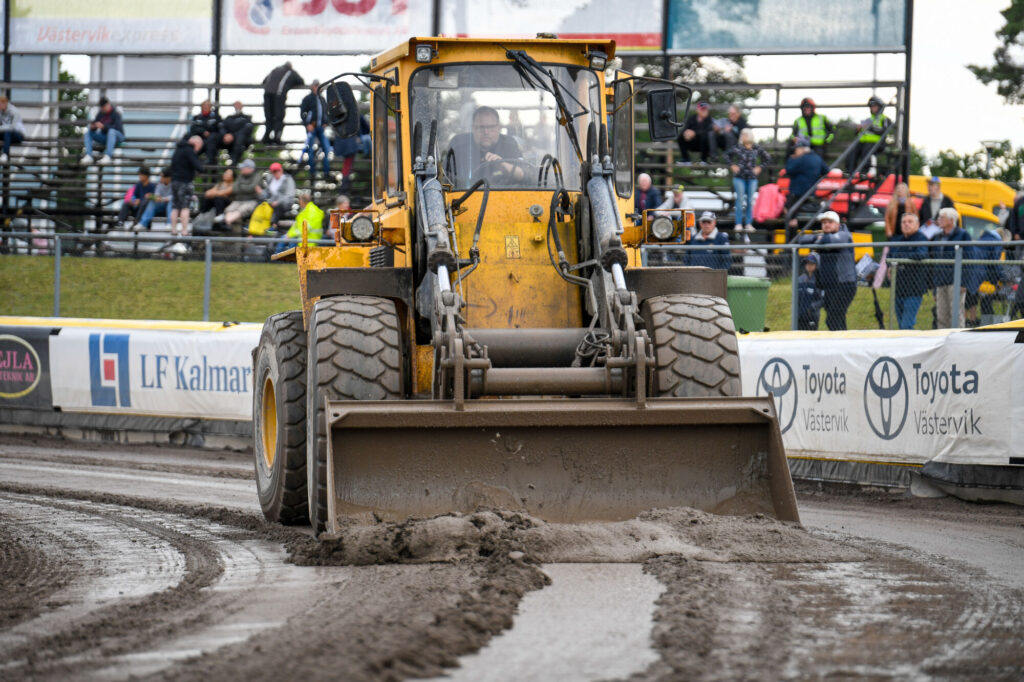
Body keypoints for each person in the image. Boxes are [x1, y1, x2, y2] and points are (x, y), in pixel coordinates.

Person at [799, 211, 856, 331]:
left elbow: (834, 241)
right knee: (838, 319)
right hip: (830, 286)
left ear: (838, 224)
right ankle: (844, 344)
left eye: (830, 222)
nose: (826, 225)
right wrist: (818, 238)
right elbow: (802, 239)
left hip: (845, 285)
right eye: (824, 223)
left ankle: (842, 343)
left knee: (832, 319)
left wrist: (819, 239)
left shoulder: (845, 235)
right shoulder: (823, 236)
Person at [445, 106, 524, 186]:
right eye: (481, 127)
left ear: (499, 128)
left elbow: (524, 175)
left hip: (505, 196)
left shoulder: (509, 145)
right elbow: (445, 179)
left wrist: (502, 164)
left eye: (491, 127)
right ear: (473, 128)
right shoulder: (458, 146)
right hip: (465, 197)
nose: (486, 132)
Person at [930, 206, 971, 328]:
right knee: (941, 314)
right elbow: (935, 261)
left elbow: (969, 259)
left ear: (951, 220)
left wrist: (964, 282)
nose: (939, 220)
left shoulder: (963, 235)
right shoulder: (937, 237)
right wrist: (934, 285)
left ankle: (958, 340)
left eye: (942, 217)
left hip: (956, 280)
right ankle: (943, 339)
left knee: (956, 313)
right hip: (940, 281)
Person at [889, 213, 930, 329]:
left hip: (914, 290)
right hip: (898, 289)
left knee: (907, 324)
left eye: (910, 222)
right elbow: (889, 256)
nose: (906, 224)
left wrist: (899, 258)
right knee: (900, 323)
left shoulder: (921, 238)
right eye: (904, 222)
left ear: (917, 224)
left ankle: (909, 345)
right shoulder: (898, 239)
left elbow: (921, 255)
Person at [726, 128, 770, 233]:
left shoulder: (756, 148)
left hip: (752, 178)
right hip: (739, 177)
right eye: (742, 134)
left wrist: (760, 167)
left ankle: (749, 223)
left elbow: (767, 157)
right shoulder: (738, 147)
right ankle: (738, 223)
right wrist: (732, 165)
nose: (743, 136)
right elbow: (726, 155)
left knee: (750, 201)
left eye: (745, 134)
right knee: (740, 200)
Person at [784, 137, 829, 235]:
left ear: (801, 148)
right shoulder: (817, 158)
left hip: (798, 194)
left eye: (796, 148)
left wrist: (792, 159)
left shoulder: (801, 159)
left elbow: (788, 170)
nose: (795, 150)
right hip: (811, 193)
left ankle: (791, 244)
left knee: (789, 214)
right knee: (792, 213)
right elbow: (826, 170)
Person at [168, 135, 205, 240]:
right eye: (199, 146)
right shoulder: (189, 150)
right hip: (185, 182)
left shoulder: (178, 150)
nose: (198, 149)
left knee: (175, 207)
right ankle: (184, 231)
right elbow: (198, 166)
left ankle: (174, 230)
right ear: (196, 143)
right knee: (185, 207)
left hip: (174, 181)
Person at [262, 62, 304, 145]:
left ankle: (266, 137)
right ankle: (277, 138)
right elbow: (301, 81)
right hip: (278, 94)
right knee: (279, 116)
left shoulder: (275, 70)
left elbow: (264, 81)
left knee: (269, 116)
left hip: (267, 94)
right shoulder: (290, 72)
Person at [847, 96, 890, 176]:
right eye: (871, 107)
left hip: (877, 143)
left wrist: (870, 128)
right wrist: (858, 129)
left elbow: (884, 131)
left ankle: (864, 172)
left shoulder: (884, 119)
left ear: (880, 107)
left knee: (867, 150)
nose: (872, 109)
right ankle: (850, 172)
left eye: (875, 107)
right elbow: (858, 133)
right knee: (852, 150)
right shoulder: (868, 119)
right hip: (863, 142)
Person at [300, 81, 331, 179]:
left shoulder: (322, 99)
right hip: (311, 128)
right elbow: (303, 112)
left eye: (318, 85)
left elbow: (326, 112)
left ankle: (326, 172)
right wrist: (307, 124)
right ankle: (312, 172)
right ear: (312, 87)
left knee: (327, 149)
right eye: (315, 85)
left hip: (321, 128)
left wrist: (326, 122)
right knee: (310, 150)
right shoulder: (307, 98)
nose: (317, 87)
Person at [81, 97, 125, 165]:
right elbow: (95, 124)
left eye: (103, 107)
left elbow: (117, 128)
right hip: (106, 137)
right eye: (101, 107)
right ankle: (89, 156)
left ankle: (108, 156)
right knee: (88, 133)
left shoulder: (116, 114)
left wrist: (104, 127)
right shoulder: (100, 114)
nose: (102, 109)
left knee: (111, 131)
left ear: (108, 105)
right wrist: (93, 127)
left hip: (118, 136)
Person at [332, 114, 370, 192]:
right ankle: (344, 187)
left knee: (346, 165)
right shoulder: (355, 114)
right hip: (350, 144)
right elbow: (366, 128)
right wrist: (359, 135)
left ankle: (344, 186)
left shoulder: (338, 114)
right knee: (347, 166)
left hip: (342, 144)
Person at [257, 161, 297, 230]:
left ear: (281, 170)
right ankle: (256, 225)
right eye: (273, 172)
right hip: (272, 202)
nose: (275, 173)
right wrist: (261, 192)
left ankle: (273, 226)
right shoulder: (271, 179)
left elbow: (289, 195)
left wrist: (278, 202)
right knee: (260, 205)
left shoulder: (288, 179)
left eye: (276, 171)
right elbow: (267, 193)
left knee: (277, 208)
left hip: (285, 203)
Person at [223, 159, 261, 230]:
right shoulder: (240, 176)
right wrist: (245, 187)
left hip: (251, 201)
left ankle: (226, 221)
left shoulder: (257, 176)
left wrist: (241, 186)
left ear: (250, 169)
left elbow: (251, 188)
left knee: (241, 210)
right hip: (238, 200)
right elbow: (234, 189)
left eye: (243, 167)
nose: (241, 169)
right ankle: (228, 223)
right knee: (229, 209)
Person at [219, 101, 254, 166]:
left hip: (242, 141)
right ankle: (232, 162)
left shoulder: (246, 117)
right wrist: (225, 135)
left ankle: (233, 162)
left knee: (240, 137)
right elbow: (222, 127)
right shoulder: (229, 118)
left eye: (239, 105)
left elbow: (248, 128)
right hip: (230, 141)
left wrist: (233, 135)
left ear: (242, 106)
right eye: (236, 105)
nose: (237, 106)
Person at [189, 99, 222, 165]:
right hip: (200, 140)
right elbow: (193, 128)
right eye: (204, 105)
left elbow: (219, 128)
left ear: (210, 107)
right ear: (201, 107)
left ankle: (210, 162)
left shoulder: (216, 117)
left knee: (212, 141)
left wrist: (209, 131)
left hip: (212, 140)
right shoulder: (196, 117)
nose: (206, 107)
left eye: (208, 105)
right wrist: (203, 131)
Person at [797, 253, 825, 330]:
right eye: (807, 263)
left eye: (812, 263)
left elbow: (824, 299)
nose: (809, 265)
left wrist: (812, 307)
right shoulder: (800, 279)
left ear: (817, 265)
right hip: (799, 315)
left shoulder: (820, 280)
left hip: (812, 316)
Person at [0, 96, 26, 163]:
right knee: (6, 133)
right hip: (7, 135)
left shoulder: (14, 111)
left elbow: (12, 127)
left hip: (18, 135)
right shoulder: (0, 112)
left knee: (7, 132)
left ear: (4, 103)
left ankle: (5, 154)